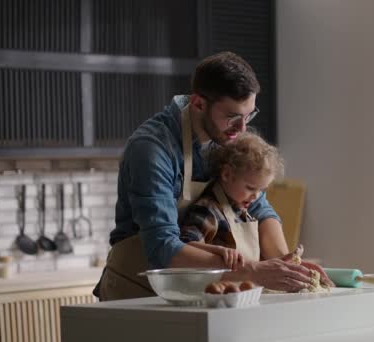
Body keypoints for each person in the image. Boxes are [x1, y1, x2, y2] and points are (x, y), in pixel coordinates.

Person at [94, 51, 333, 301]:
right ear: (198, 103)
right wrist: (251, 271)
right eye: (232, 117)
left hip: (195, 290)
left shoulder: (227, 137)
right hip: (137, 293)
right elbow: (163, 248)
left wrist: (286, 263)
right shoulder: (152, 149)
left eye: (248, 115)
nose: (242, 129)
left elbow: (260, 210)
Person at [179, 132, 284, 271]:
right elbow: (184, 246)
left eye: (261, 190)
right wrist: (218, 251)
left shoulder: (241, 211)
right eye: (250, 188)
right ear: (227, 174)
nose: (256, 196)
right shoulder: (208, 209)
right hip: (212, 289)